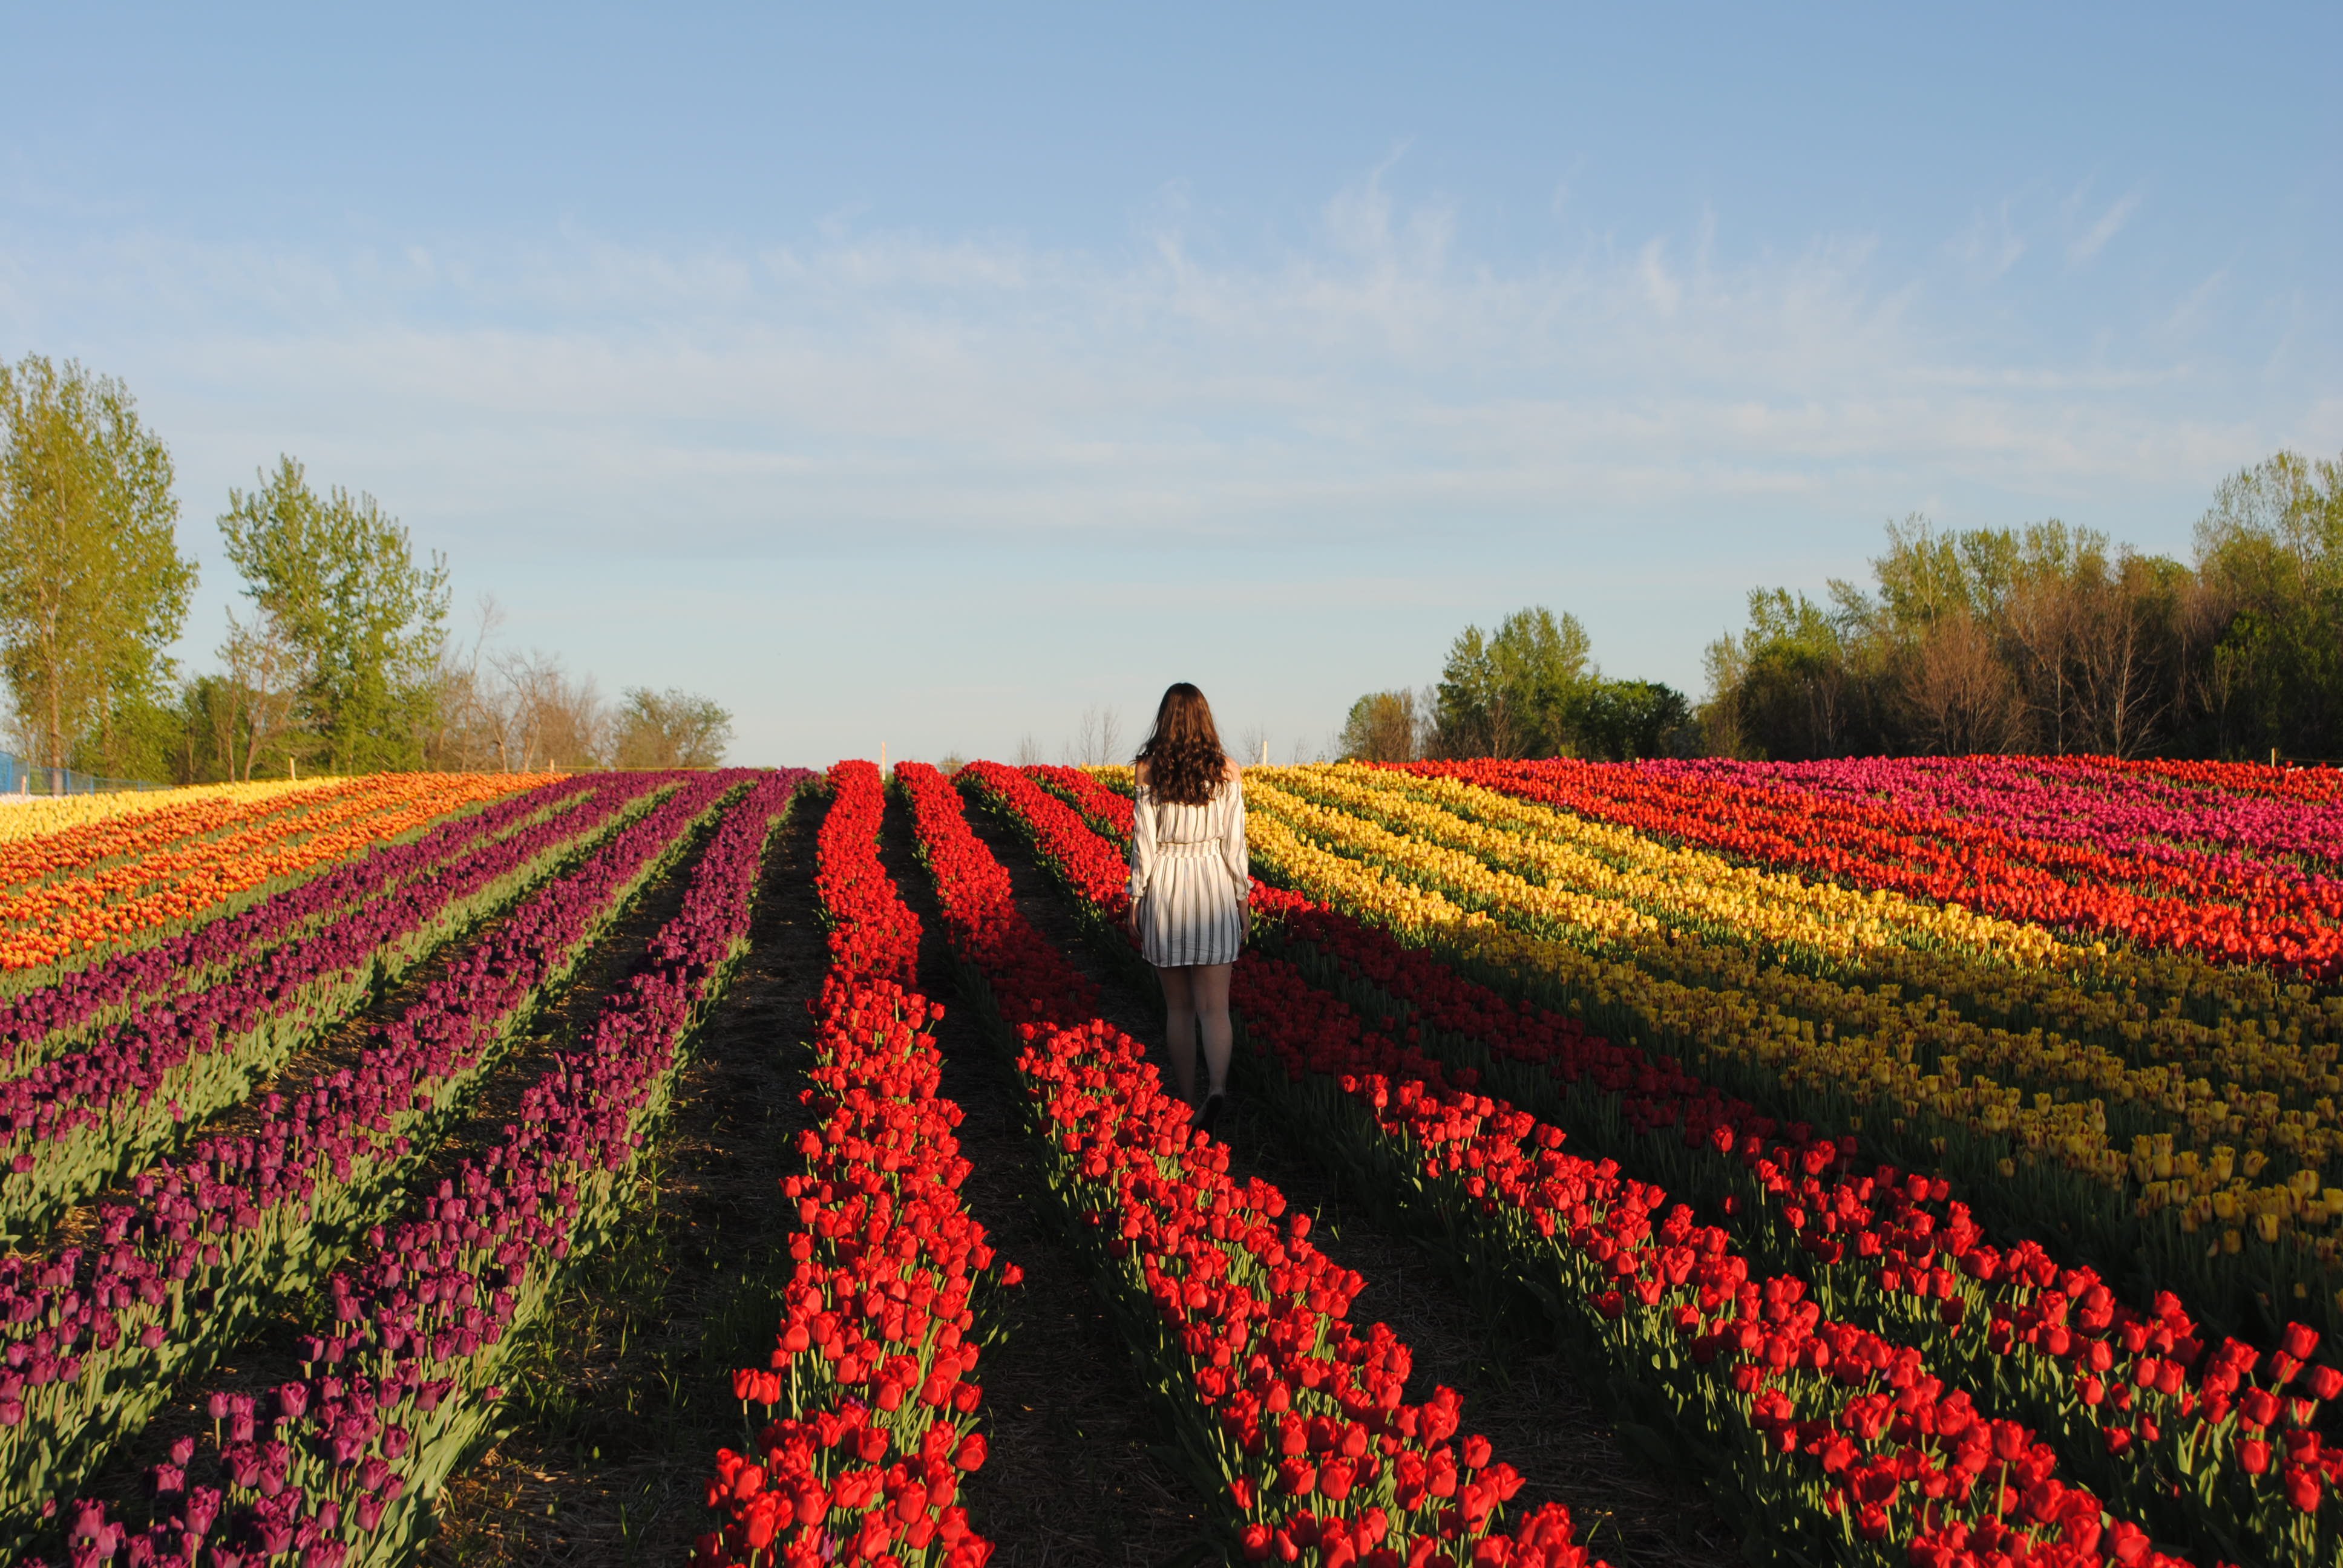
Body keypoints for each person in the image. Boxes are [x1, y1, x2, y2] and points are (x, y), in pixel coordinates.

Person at [1124, 682, 1250, 1131]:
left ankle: (1186, 1099)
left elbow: (1144, 845)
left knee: (1178, 1008)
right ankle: (1217, 1088)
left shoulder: (1148, 771)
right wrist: (1242, 899)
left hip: (1169, 888)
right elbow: (1236, 845)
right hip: (1214, 884)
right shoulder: (1228, 772)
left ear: (1165, 720)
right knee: (1215, 1008)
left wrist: (1136, 898)